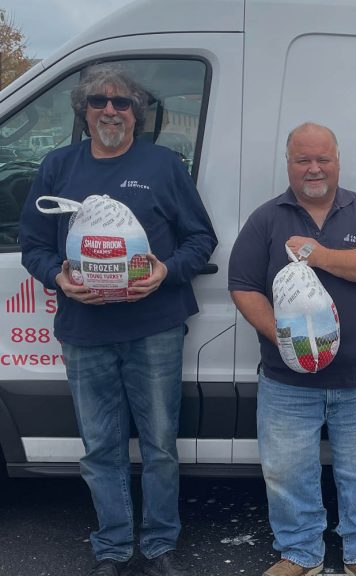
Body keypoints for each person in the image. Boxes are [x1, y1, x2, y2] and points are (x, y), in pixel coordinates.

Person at [20, 65, 217, 576]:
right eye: (99, 102)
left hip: (155, 327)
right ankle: (111, 548)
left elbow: (201, 239)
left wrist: (167, 272)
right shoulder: (58, 166)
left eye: (122, 102)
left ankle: (158, 545)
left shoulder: (164, 165)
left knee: (159, 447)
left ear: (138, 112)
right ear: (83, 113)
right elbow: (33, 245)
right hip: (84, 331)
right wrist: (58, 279)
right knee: (100, 447)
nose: (111, 109)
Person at [228, 122, 356, 576]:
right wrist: (286, 340)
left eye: (322, 158)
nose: (313, 168)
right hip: (287, 382)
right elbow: (244, 287)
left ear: (337, 161)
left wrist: (319, 254)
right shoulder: (267, 218)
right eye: (302, 159)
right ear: (288, 164)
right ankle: (300, 554)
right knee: (287, 474)